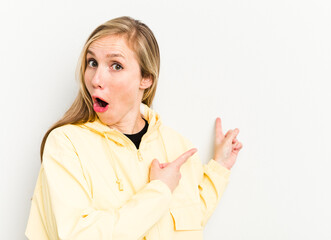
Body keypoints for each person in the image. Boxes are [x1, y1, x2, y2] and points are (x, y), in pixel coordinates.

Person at [25, 16, 243, 240]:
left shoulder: (178, 147)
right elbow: (78, 235)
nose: (96, 79)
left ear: (146, 78)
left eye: (116, 66)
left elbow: (190, 219)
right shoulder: (66, 144)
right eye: (92, 63)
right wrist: (159, 190)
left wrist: (220, 167)